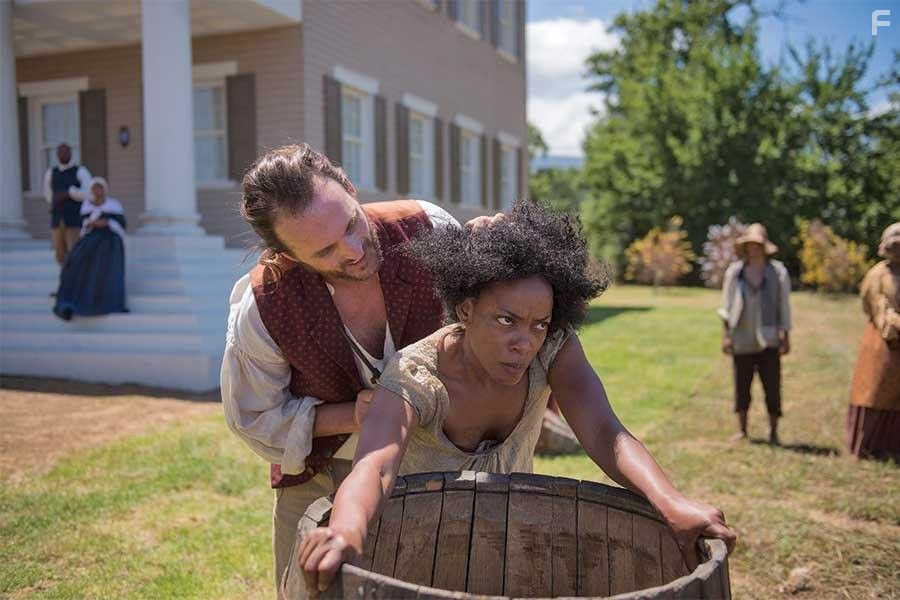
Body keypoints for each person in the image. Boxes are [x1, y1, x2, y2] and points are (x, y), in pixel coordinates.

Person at [294, 200, 736, 596]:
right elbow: (376, 463)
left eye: (538, 323)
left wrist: (671, 501)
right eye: (506, 320)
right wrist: (348, 528)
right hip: (414, 554)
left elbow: (605, 432)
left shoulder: (554, 349)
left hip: (512, 546)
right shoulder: (416, 376)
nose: (524, 342)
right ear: (465, 310)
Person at [221, 144, 509, 590]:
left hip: (438, 463)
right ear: (287, 255)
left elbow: (490, 329)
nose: (354, 251)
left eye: (352, 223)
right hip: (320, 478)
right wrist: (351, 414)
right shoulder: (263, 307)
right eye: (326, 251)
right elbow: (253, 418)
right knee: (314, 591)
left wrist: (500, 260)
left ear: (350, 189)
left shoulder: (428, 230)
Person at [718, 223, 791, 445]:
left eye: (758, 244)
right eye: (750, 244)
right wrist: (727, 335)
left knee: (772, 387)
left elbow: (784, 306)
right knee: (742, 386)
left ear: (764, 246)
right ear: (745, 246)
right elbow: (726, 307)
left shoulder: (777, 272)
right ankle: (742, 430)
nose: (754, 248)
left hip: (769, 339)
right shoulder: (735, 272)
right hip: (742, 338)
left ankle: (774, 431)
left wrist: (785, 335)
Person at [846, 223, 900, 460]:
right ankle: (870, 447)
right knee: (875, 390)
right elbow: (878, 308)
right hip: (882, 342)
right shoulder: (879, 274)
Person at [52, 177, 128, 321]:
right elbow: (83, 224)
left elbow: (121, 224)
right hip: (90, 238)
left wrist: (106, 223)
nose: (97, 191)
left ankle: (102, 301)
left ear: (105, 189)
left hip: (109, 239)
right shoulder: (87, 205)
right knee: (74, 260)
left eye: (100, 187)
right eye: (94, 188)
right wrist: (92, 224)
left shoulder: (114, 205)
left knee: (102, 261)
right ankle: (70, 299)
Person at [43, 143, 92, 265]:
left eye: (65, 152)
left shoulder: (80, 171)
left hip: (74, 219)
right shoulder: (51, 173)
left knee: (75, 251)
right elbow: (48, 194)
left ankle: (76, 280)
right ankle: (65, 279)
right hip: (57, 219)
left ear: (71, 153)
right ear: (57, 155)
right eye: (60, 152)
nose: (63, 155)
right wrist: (56, 201)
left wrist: (70, 193)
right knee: (59, 254)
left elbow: (89, 192)